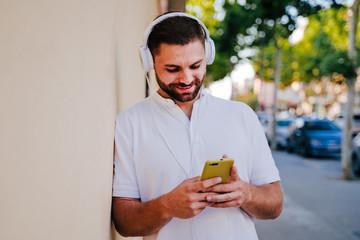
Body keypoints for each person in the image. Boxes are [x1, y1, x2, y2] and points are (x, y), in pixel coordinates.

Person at [112, 12, 283, 240]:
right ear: (149, 62)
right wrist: (166, 206)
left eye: (196, 65)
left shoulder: (242, 115)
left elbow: (275, 204)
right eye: (173, 69)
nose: (186, 78)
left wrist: (246, 193)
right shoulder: (129, 123)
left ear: (207, 56)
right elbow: (124, 223)